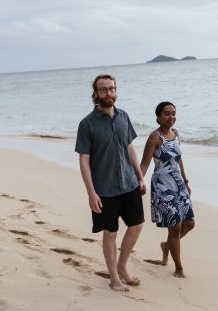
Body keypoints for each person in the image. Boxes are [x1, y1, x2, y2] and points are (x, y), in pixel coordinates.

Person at [74, 74, 147, 292]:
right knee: (110, 232)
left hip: (129, 183)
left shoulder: (123, 116)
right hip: (104, 188)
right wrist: (91, 193)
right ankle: (114, 277)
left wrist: (140, 176)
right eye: (104, 89)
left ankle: (123, 266)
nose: (109, 93)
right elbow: (84, 159)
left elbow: (129, 147)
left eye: (112, 89)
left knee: (137, 225)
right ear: (95, 94)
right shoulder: (87, 124)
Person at [140, 101, 196, 278]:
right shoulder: (154, 137)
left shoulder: (176, 133)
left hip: (178, 183)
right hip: (163, 185)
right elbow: (144, 164)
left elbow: (178, 159)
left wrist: (185, 181)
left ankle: (167, 245)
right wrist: (138, 183)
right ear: (158, 117)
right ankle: (178, 268)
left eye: (173, 113)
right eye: (166, 113)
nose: (171, 117)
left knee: (189, 223)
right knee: (175, 227)